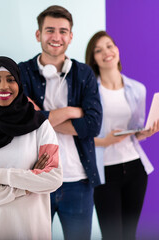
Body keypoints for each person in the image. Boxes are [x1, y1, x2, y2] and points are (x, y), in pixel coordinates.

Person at [18, 5, 103, 240]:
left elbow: (93, 126)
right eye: (50, 30)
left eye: (63, 31)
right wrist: (72, 111)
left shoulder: (84, 73)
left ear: (71, 36)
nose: (56, 37)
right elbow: (21, 123)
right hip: (34, 179)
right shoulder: (20, 72)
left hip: (78, 180)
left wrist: (41, 117)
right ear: (38, 34)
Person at [0, 56, 62, 240]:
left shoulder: (39, 125)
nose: (4, 87)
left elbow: (53, 178)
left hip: (31, 230)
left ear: (19, 84)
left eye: (11, 80)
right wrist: (25, 188)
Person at [85, 30, 159, 240]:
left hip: (135, 168)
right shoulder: (89, 92)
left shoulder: (137, 89)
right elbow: (80, 137)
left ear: (116, 50)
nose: (106, 52)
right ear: (94, 58)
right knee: (112, 236)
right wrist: (105, 141)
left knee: (129, 235)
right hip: (105, 171)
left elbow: (135, 132)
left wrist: (146, 132)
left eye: (109, 46)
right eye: (98, 50)